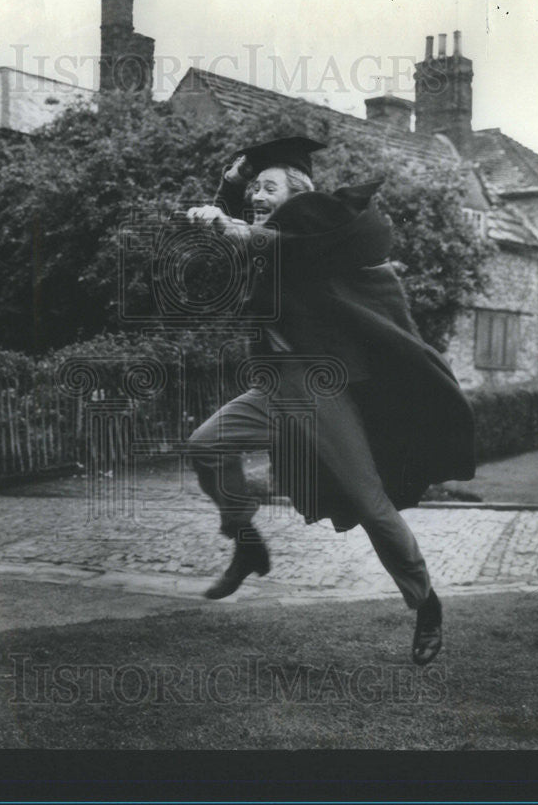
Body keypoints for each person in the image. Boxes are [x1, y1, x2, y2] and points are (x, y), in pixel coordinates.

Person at [182, 136, 476, 665]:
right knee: (205, 446)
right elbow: (250, 233)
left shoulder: (323, 231)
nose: (257, 197)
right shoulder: (273, 234)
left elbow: (282, 240)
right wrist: (230, 187)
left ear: (300, 193)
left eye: (268, 187)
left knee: (370, 504)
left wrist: (232, 219)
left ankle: (425, 601)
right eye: (255, 191)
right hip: (274, 389)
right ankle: (246, 543)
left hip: (322, 392)